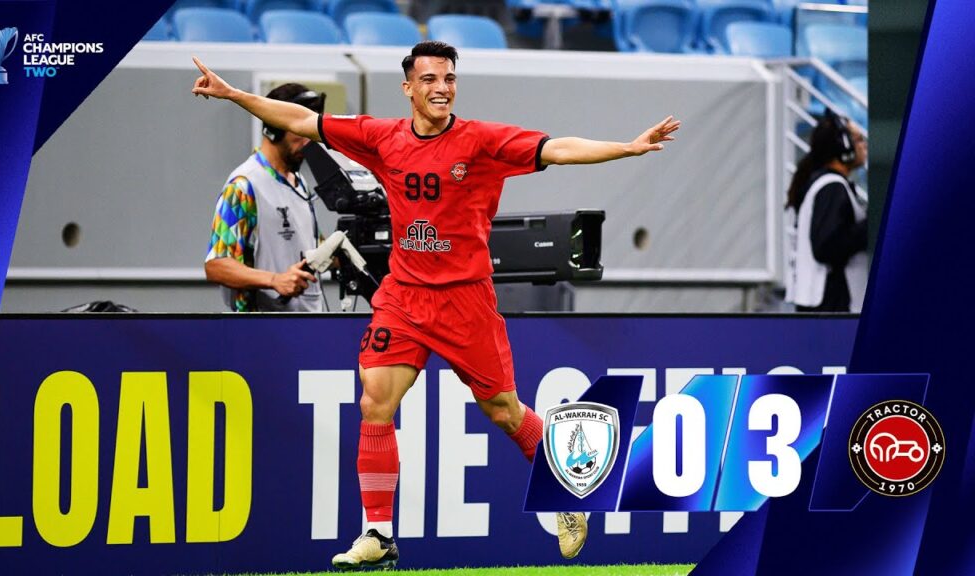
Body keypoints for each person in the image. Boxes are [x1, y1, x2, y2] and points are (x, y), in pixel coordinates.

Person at [191, 42, 679, 570]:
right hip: (404, 295)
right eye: (429, 79)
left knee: (504, 412)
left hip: (466, 301)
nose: (441, 87)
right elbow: (305, 121)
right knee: (375, 399)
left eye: (448, 78)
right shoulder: (383, 137)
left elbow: (557, 148)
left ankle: (566, 491)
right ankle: (377, 532)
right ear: (409, 88)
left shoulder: (483, 140)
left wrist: (627, 149)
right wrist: (234, 94)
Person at [204, 83, 325, 312]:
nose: (308, 140)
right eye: (299, 130)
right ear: (273, 128)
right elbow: (217, 264)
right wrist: (274, 280)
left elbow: (310, 245)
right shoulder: (244, 186)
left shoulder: (299, 183)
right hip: (263, 331)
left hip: (307, 326)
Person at [785, 110, 869, 313]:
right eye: (859, 139)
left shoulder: (826, 183)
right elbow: (826, 246)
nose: (864, 145)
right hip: (830, 303)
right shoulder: (831, 187)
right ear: (845, 146)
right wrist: (870, 227)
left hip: (824, 302)